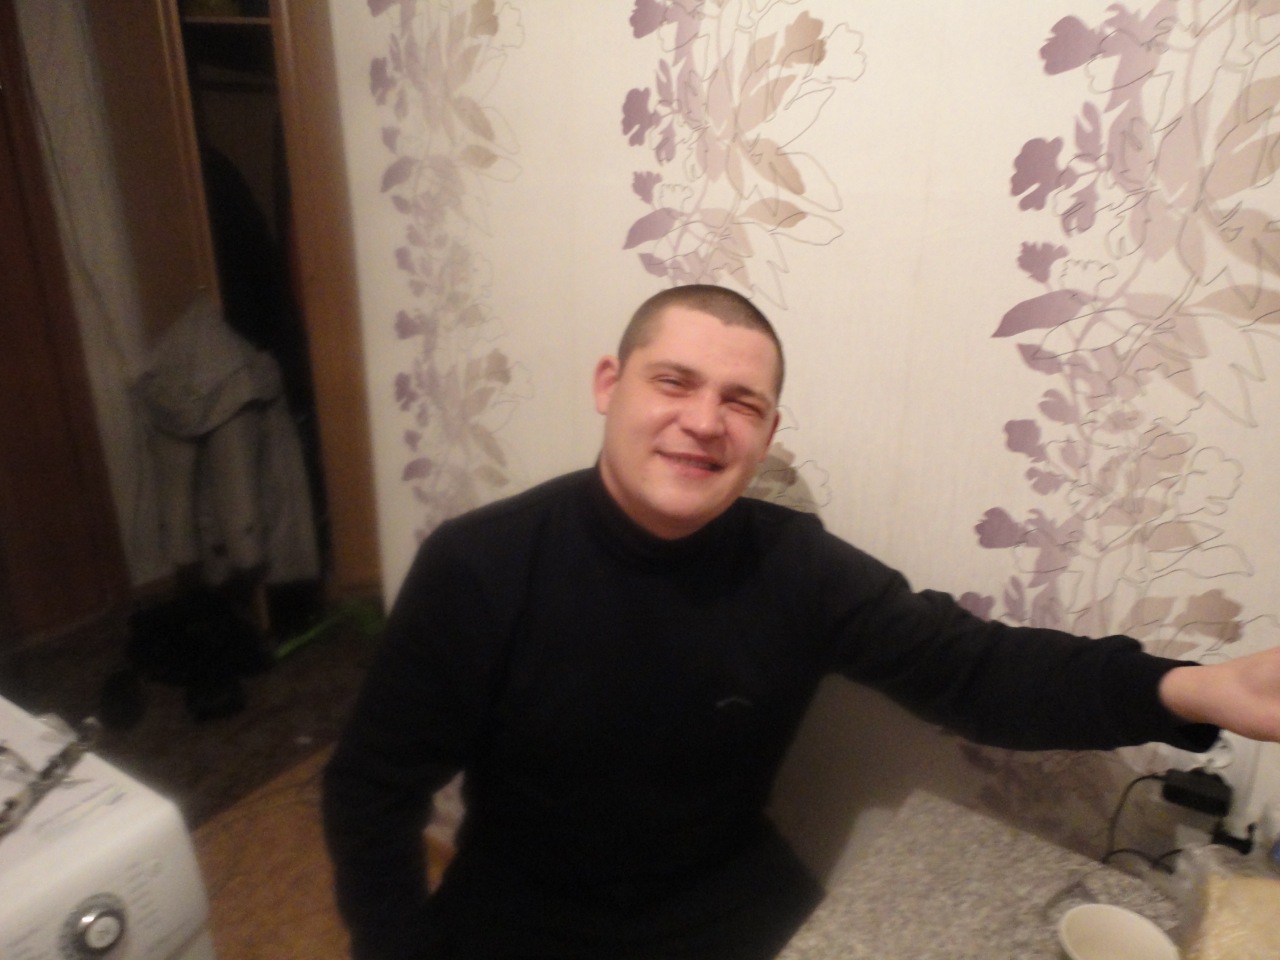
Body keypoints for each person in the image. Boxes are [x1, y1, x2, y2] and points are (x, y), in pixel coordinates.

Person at [323, 284, 1280, 960]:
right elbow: (371, 792)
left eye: (741, 402)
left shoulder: (797, 566)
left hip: (722, 897)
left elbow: (974, 667)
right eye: (674, 382)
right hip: (521, 910)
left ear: (768, 432)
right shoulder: (481, 564)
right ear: (610, 384)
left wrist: (1188, 688)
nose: (706, 422)